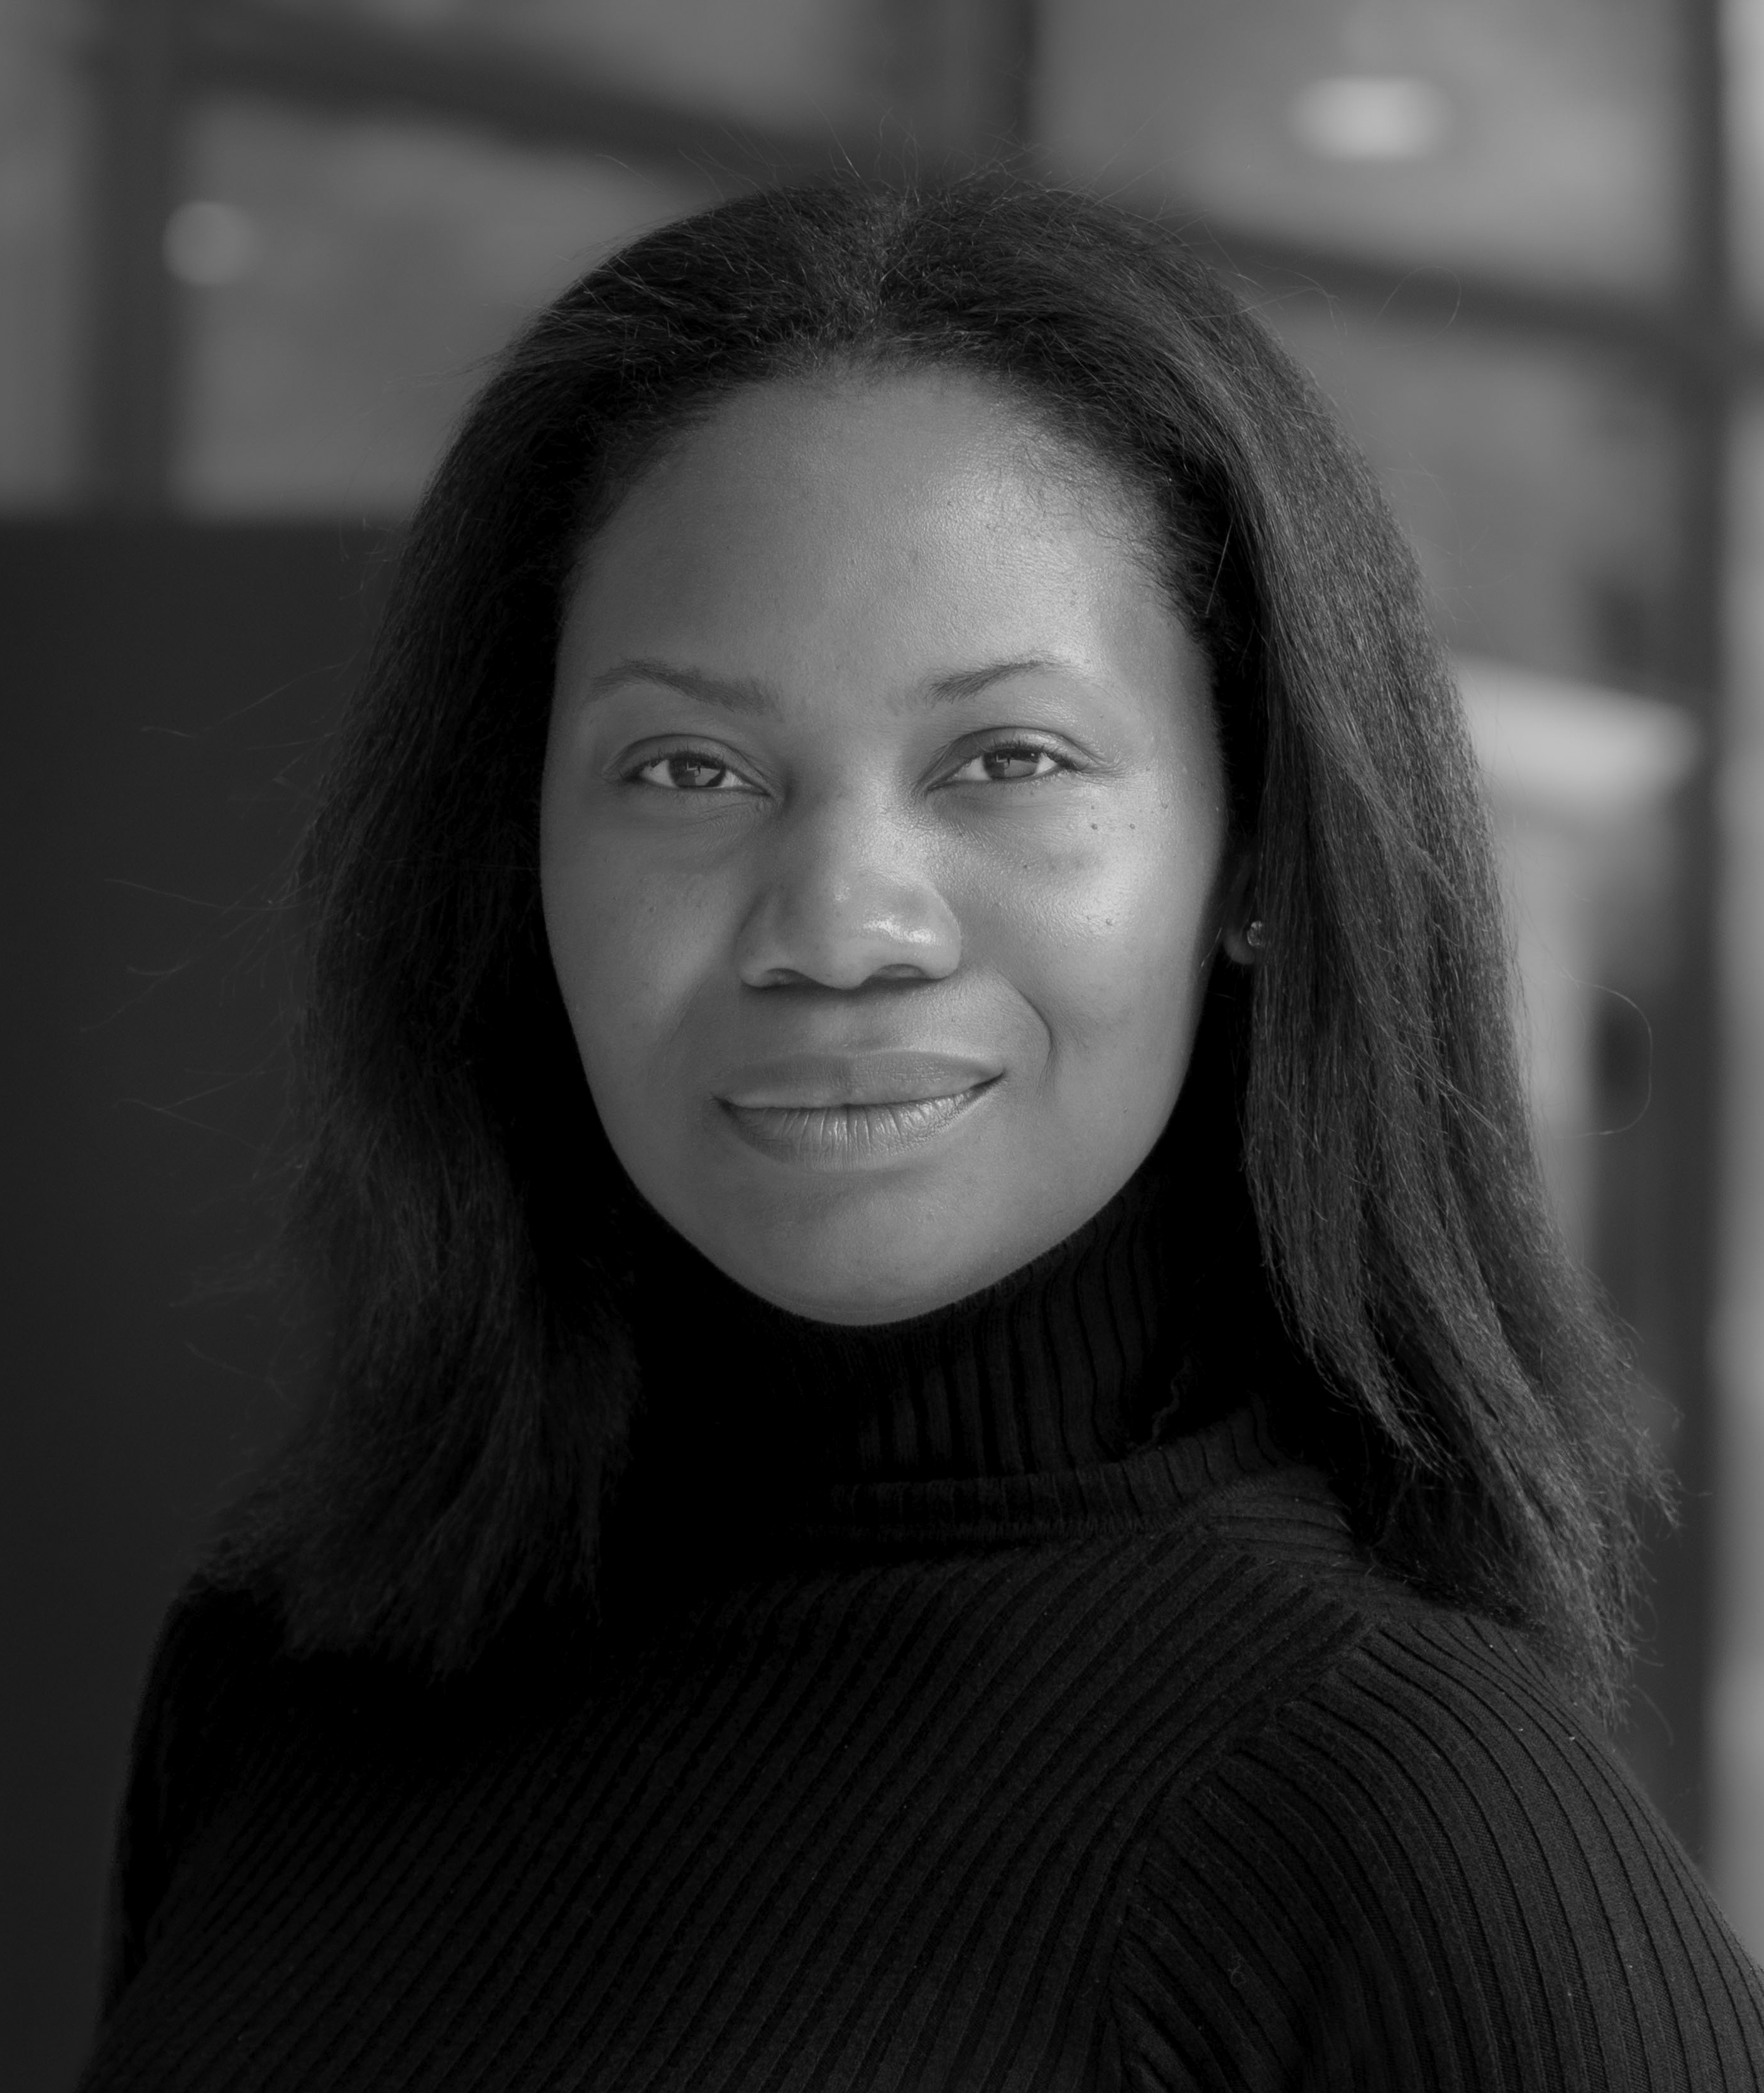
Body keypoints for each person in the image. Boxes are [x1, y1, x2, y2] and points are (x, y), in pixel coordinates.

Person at [81, 176, 1764, 2092]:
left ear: (1257, 852)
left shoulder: (1406, 1824)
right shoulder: (292, 1657)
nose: (837, 925)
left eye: (1007, 759)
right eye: (688, 768)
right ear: (514, 850)